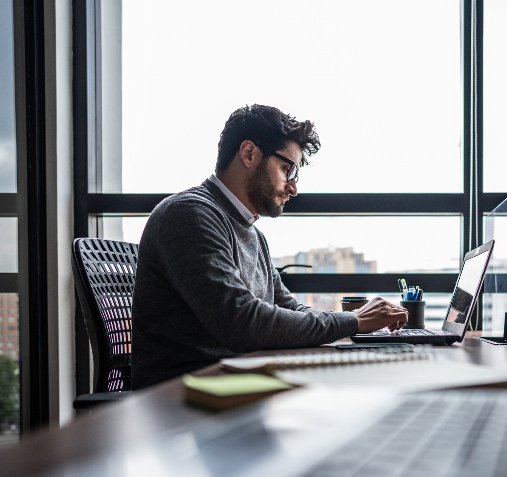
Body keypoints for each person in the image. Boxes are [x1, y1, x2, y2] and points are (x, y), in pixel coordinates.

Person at [131, 104, 408, 389]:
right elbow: (241, 324)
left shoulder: (252, 234)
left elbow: (287, 307)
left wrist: (355, 325)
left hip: (237, 383)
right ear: (249, 153)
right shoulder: (189, 215)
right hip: (183, 399)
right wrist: (353, 322)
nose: (293, 187)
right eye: (287, 169)